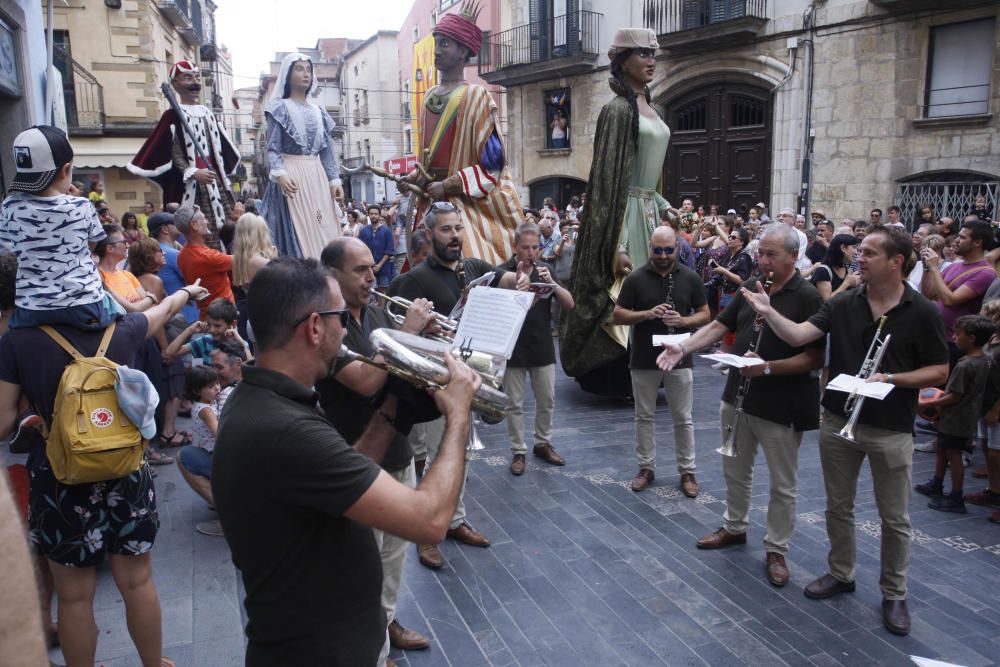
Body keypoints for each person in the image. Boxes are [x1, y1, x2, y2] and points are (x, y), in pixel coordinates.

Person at [211, 256, 480, 665]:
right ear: (315, 327)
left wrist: (394, 410)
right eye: (339, 318)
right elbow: (430, 520)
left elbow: (342, 475)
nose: (346, 330)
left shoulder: (269, 398)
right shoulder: (282, 429)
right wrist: (459, 414)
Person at [739, 225, 949, 636]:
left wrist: (891, 378)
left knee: (894, 517)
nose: (858, 258)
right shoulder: (844, 302)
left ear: (896, 262)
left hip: (890, 426)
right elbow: (801, 335)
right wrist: (768, 312)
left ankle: (894, 592)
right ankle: (841, 572)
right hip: (838, 419)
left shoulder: (922, 311)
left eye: (869, 253)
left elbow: (940, 369)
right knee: (839, 505)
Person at [0, 276, 208, 667]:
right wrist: (187, 292)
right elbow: (162, 310)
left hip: (59, 476)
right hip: (126, 469)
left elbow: (2, 421)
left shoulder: (17, 342)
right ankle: (152, 662)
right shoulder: (121, 328)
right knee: (137, 580)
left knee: (75, 596)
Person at [658, 224, 823, 585]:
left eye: (770, 254)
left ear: (793, 256)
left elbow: (814, 358)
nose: (761, 260)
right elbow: (719, 325)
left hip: (782, 405)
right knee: (734, 470)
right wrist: (684, 346)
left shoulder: (807, 296)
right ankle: (734, 526)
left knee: (783, 483)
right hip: (737, 397)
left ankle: (776, 548)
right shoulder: (751, 285)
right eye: (759, 252)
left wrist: (766, 368)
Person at [388, 202, 524, 569]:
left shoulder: (472, 268)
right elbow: (391, 316)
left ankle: (455, 520)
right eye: (446, 230)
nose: (455, 236)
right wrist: (420, 325)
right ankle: (423, 534)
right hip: (435, 381)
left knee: (459, 456)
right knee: (436, 459)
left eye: (458, 229)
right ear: (430, 233)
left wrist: (521, 278)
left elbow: (506, 280)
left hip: (467, 376)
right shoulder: (414, 278)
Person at [319, 237, 436, 654]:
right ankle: (370, 644)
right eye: (360, 270)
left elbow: (408, 372)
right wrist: (407, 334)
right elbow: (368, 380)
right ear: (332, 276)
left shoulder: (376, 313)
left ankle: (385, 623)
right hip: (357, 457)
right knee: (362, 563)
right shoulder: (326, 326)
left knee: (392, 558)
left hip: (397, 449)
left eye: (372, 268)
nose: (372, 277)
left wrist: (427, 343)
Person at [560, 28, 673, 398]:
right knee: (625, 294)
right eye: (642, 54)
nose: (651, 60)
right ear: (623, 61)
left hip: (649, 218)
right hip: (623, 221)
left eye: (653, 53)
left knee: (653, 295)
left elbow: (648, 185)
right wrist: (617, 243)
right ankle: (617, 376)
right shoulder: (617, 111)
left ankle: (648, 369)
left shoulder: (650, 108)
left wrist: (666, 208)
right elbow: (611, 183)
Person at [397, 3, 522, 265]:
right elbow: (427, 159)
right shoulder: (429, 95)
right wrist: (413, 177)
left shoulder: (477, 96)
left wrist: (448, 185)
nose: (437, 51)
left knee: (468, 267)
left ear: (463, 50)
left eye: (445, 44)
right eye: (437, 43)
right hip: (429, 203)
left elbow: (494, 164)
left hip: (463, 203)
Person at [612, 226, 709, 495]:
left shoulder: (690, 277)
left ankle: (687, 471)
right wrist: (646, 314)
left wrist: (684, 321)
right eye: (658, 250)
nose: (664, 255)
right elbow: (618, 315)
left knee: (683, 418)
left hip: (680, 356)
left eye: (669, 250)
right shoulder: (636, 278)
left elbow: (705, 314)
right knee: (644, 416)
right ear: (650, 246)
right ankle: (646, 468)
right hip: (644, 357)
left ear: (677, 248)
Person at [0, 125, 122, 331]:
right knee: (121, 313)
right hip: (84, 305)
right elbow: (92, 245)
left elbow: (7, 250)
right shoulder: (81, 206)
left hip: (31, 307)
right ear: (66, 169)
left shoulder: (9, 206)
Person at [128, 60, 238, 242]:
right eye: (187, 78)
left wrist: (223, 182)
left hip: (214, 181)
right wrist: (192, 172)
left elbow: (217, 150)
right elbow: (173, 152)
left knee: (224, 230)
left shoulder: (207, 113)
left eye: (196, 77)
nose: (194, 82)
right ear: (175, 84)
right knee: (195, 231)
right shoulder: (172, 116)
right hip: (191, 186)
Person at [502, 223, 575, 475]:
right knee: (514, 404)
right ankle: (517, 450)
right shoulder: (504, 272)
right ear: (515, 247)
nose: (531, 253)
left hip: (542, 345)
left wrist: (552, 283)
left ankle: (542, 443)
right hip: (513, 347)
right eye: (526, 248)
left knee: (547, 400)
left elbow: (570, 303)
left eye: (535, 247)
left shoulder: (546, 270)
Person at [258, 53, 343, 258]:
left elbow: (327, 151)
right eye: (299, 69)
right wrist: (280, 173)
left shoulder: (318, 111)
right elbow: (273, 147)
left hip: (317, 177)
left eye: (308, 69)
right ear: (287, 75)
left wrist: (334, 180)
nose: (306, 74)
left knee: (324, 227)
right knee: (295, 229)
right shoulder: (279, 108)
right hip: (291, 176)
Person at [915, 315, 994, 513]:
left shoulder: (965, 365)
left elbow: (954, 396)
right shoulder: (983, 360)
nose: (954, 337)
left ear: (972, 338)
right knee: (942, 448)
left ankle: (956, 496)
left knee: (953, 454)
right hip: (961, 417)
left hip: (957, 418)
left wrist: (927, 403)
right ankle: (937, 483)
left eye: (958, 334)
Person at [920, 218, 996, 366]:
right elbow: (929, 294)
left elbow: (950, 300)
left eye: (962, 237)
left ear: (977, 242)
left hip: (955, 343)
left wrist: (935, 268)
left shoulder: (985, 273)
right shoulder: (954, 266)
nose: (956, 241)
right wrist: (926, 267)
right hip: (936, 335)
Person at [175, 205, 235, 319]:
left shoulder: (182, 254)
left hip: (207, 317)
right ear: (194, 225)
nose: (207, 221)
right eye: (203, 218)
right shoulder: (206, 257)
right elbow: (242, 261)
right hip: (223, 321)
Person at [164, 297, 248, 366]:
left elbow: (251, 366)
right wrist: (190, 330)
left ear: (232, 324)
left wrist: (240, 341)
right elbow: (169, 353)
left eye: (217, 326)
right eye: (209, 324)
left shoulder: (240, 345)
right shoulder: (205, 341)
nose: (211, 330)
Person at [811, 234, 860, 301]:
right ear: (843, 248)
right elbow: (827, 302)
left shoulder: (844, 267)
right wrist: (846, 284)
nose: (856, 252)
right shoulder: (822, 271)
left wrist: (854, 284)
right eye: (853, 247)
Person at [360, 204, 396, 288]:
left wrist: (379, 265)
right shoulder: (364, 231)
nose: (373, 216)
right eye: (371, 214)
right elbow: (361, 249)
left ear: (379, 215)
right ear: (368, 215)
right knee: (370, 290)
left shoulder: (386, 231)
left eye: (375, 214)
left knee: (383, 290)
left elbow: (389, 249)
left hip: (384, 266)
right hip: (368, 267)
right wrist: (368, 265)